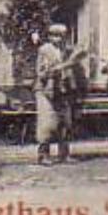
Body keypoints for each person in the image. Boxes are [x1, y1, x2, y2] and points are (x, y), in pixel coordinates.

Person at [35, 23, 86, 164]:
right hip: (46, 90)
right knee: (47, 123)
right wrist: (68, 63)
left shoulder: (67, 50)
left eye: (62, 36)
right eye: (56, 35)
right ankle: (43, 155)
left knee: (65, 122)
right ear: (50, 36)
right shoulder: (44, 50)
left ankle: (64, 153)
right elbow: (43, 73)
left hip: (63, 89)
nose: (60, 39)